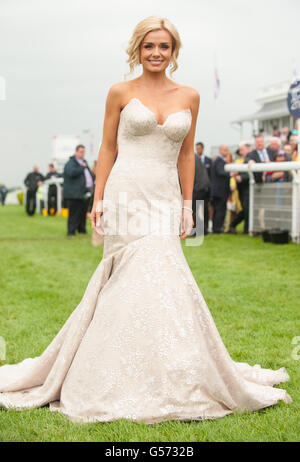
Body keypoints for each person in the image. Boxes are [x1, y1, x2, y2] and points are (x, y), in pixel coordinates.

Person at [0, 16, 291, 424]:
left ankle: (172, 370)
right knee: (127, 280)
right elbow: (105, 149)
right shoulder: (119, 92)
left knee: (166, 276)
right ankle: (110, 374)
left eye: (164, 47)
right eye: (149, 46)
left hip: (166, 196)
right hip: (125, 194)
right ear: (138, 50)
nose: (156, 53)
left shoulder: (189, 95)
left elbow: (187, 154)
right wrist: (98, 198)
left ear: (174, 52)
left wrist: (189, 205)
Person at [63, 145, 94, 236]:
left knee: (82, 212)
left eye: (83, 151)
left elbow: (89, 174)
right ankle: (71, 231)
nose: (82, 153)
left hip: (84, 192)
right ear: (76, 152)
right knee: (73, 213)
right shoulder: (71, 163)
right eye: (80, 151)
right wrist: (82, 167)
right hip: (73, 193)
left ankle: (81, 229)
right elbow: (71, 173)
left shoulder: (84, 162)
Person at [227, 142, 252, 234]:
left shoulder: (250, 158)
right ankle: (234, 226)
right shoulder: (238, 161)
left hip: (247, 186)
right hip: (240, 188)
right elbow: (233, 173)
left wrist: (240, 176)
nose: (240, 152)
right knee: (243, 209)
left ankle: (235, 225)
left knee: (246, 209)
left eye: (242, 150)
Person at [211, 145, 231, 233]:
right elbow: (220, 172)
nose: (226, 152)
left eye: (227, 150)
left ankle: (216, 228)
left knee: (217, 210)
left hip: (217, 190)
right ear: (220, 151)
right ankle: (217, 229)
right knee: (220, 210)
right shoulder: (219, 161)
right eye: (224, 150)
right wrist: (231, 174)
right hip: (220, 191)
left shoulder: (218, 161)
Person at [192, 144, 210, 235]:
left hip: (198, 187)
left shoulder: (191, 157)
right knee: (202, 209)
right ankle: (204, 230)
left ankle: (198, 231)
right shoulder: (195, 157)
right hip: (205, 186)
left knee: (195, 209)